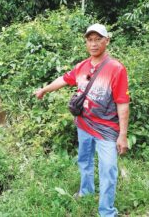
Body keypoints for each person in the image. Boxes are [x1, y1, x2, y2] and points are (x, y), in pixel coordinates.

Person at [34, 23, 130, 217]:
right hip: (84, 124)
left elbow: (123, 103)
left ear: (107, 41)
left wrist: (123, 135)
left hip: (107, 129)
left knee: (108, 170)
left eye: (98, 39)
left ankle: (107, 212)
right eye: (90, 40)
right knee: (84, 160)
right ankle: (86, 192)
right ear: (86, 42)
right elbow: (63, 79)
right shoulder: (82, 66)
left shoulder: (116, 69)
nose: (94, 44)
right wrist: (44, 89)